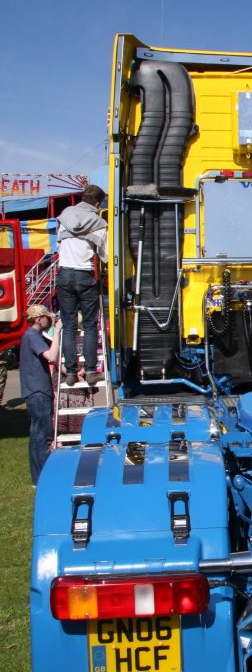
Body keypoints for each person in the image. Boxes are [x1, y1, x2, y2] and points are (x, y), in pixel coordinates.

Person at [56, 184, 107, 386]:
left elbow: (60, 244)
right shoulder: (99, 222)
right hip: (84, 275)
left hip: (64, 274)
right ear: (97, 203)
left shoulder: (65, 214)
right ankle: (91, 371)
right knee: (89, 325)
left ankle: (70, 372)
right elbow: (104, 254)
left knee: (68, 326)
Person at [19, 304, 62, 485]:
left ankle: (38, 479)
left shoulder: (33, 337)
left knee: (37, 436)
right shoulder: (32, 336)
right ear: (38, 319)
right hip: (38, 393)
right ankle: (44, 479)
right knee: (43, 438)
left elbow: (55, 359)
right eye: (46, 317)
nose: (50, 320)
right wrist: (58, 332)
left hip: (35, 392)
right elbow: (51, 357)